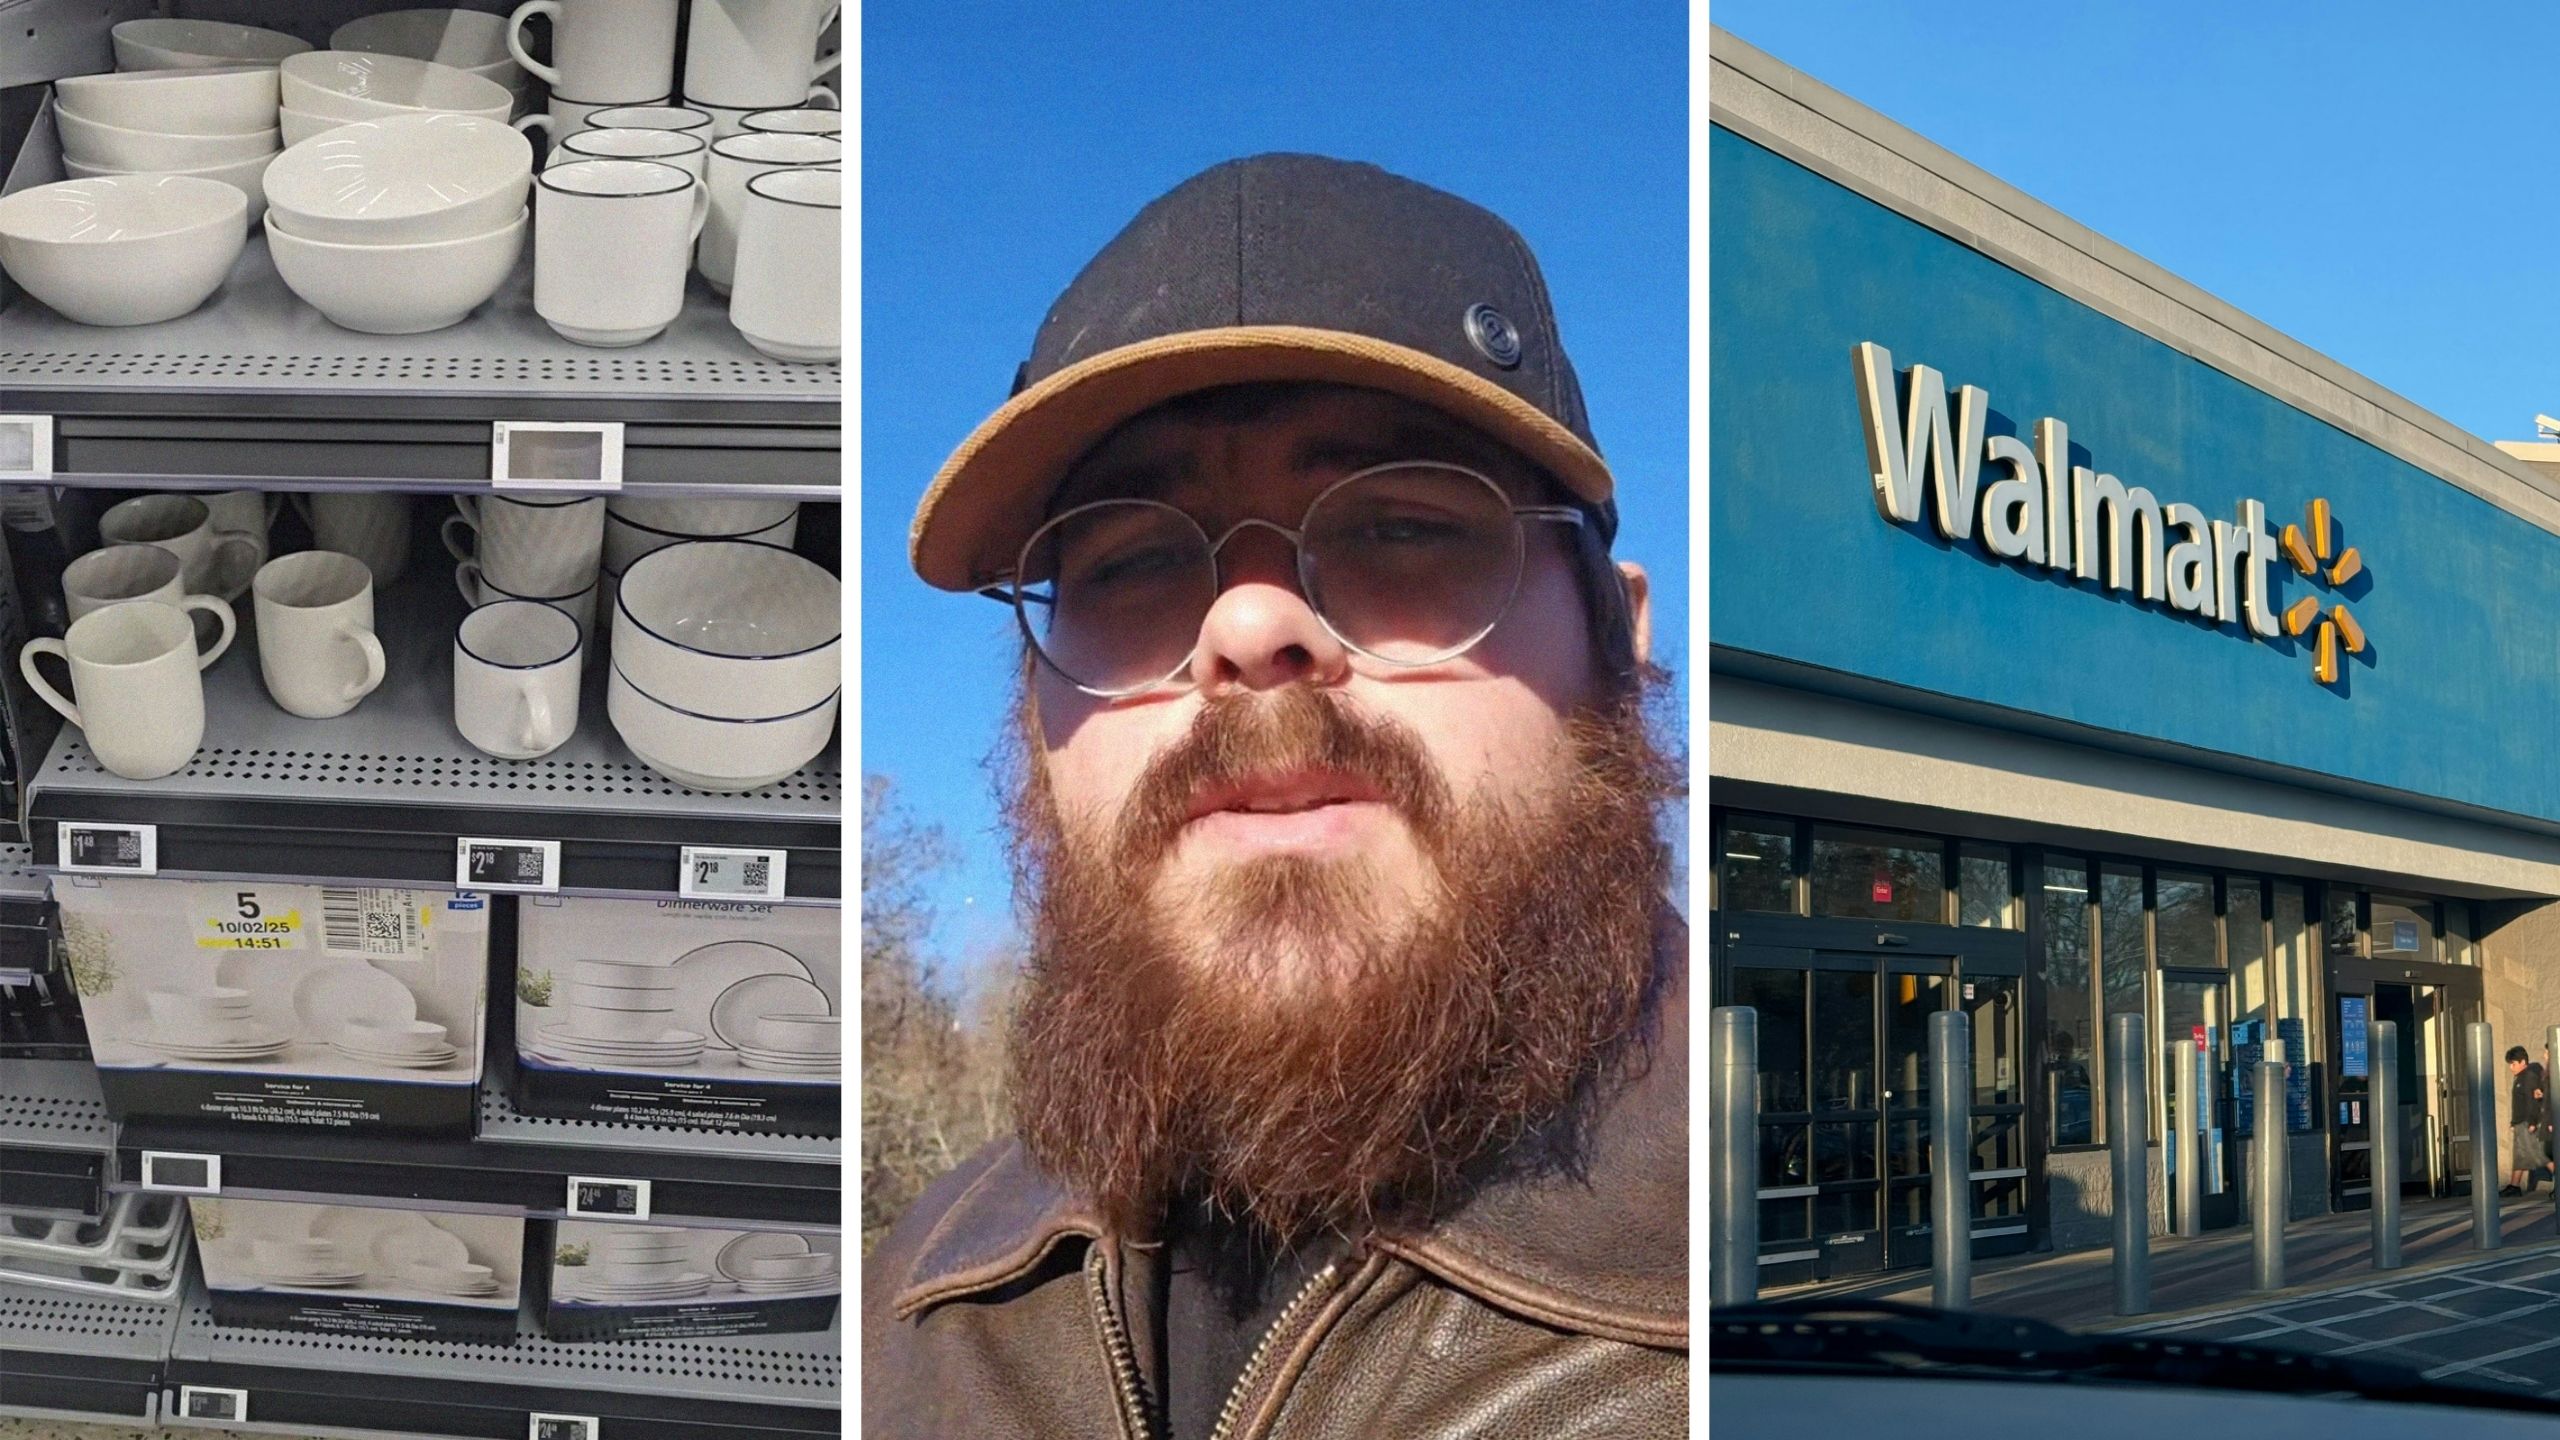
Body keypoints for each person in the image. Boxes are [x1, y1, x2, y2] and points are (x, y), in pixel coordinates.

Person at [863, 154, 1684, 1438]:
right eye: (1131, 561)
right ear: (1036, 719)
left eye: (1404, 527)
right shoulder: (918, 1309)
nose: (1248, 624)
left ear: (1618, 640)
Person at [2504, 1044, 2549, 1197]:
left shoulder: (2529, 1076)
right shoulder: (2520, 1078)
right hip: (2519, 1123)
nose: (2511, 1067)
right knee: (2520, 1156)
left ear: (2523, 1062)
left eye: (2513, 1064)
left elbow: (2532, 1102)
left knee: (2540, 1155)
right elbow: (2518, 1104)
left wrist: (2531, 1122)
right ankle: (2514, 1186)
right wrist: (2513, 1123)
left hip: (2526, 1123)